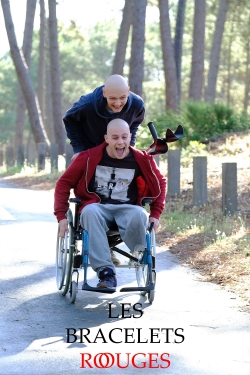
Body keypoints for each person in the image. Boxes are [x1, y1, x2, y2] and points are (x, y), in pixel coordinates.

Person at [54, 119, 166, 289]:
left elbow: (160, 182)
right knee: (89, 212)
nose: (120, 142)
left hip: (128, 208)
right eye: (115, 138)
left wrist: (155, 214)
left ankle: (138, 251)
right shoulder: (88, 157)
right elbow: (63, 184)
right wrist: (61, 215)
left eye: (124, 137)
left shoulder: (142, 159)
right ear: (106, 138)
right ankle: (106, 272)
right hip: (98, 208)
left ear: (130, 137)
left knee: (140, 214)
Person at [63, 75, 145, 161]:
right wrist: (78, 149)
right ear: (104, 93)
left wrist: (129, 144)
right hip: (90, 149)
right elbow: (70, 120)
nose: (118, 103)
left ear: (128, 91)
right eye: (112, 98)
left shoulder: (137, 105)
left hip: (118, 150)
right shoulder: (87, 105)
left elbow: (135, 123)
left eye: (122, 97)